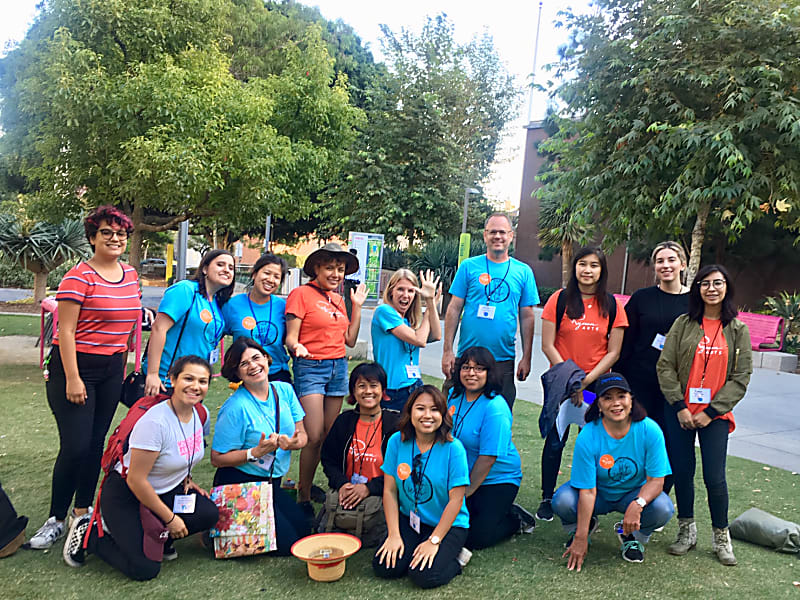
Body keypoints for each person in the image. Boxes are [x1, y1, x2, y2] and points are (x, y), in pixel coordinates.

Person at [28, 205, 142, 550]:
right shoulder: (78, 277)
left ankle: (83, 511)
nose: (115, 238)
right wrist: (73, 378)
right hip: (74, 368)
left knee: (95, 444)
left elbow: (129, 320)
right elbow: (64, 331)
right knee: (75, 446)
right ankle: (55, 519)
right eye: (106, 232)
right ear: (92, 238)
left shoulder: (131, 275)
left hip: (111, 370)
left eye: (120, 233)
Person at [62, 356, 219, 579]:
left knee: (208, 513)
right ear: (173, 380)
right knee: (145, 568)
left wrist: (186, 478)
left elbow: (182, 452)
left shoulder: (199, 414)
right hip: (128, 494)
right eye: (188, 379)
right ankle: (91, 535)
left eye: (202, 381)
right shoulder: (155, 422)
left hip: (166, 490)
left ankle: (158, 539)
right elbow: (135, 480)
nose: (195, 386)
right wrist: (170, 519)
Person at [656, 264, 752, 566]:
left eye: (718, 283)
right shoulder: (683, 323)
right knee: (682, 472)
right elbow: (665, 366)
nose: (712, 289)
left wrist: (711, 411)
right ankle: (686, 530)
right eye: (705, 283)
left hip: (715, 416)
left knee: (714, 477)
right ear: (697, 288)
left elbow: (741, 377)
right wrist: (680, 406)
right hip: (680, 412)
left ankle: (721, 536)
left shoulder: (738, 330)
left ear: (727, 288)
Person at [537, 247, 628, 522]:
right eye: (582, 264)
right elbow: (547, 344)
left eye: (594, 265)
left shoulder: (612, 305)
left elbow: (614, 352)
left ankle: (591, 499)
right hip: (561, 383)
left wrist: (585, 381)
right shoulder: (559, 299)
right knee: (555, 441)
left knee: (593, 444)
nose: (587, 270)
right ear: (574, 267)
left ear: (602, 270)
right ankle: (547, 497)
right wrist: (571, 379)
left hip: (596, 386)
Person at [554, 372, 674, 570]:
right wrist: (580, 538)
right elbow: (588, 491)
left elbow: (656, 481)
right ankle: (585, 526)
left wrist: (638, 504)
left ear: (631, 399)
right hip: (598, 494)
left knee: (663, 507)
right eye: (607, 398)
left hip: (632, 494)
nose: (616, 403)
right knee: (563, 500)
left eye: (621, 396)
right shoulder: (588, 435)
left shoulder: (649, 430)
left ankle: (630, 535)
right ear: (599, 405)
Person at [210, 337, 310, 555]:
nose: (253, 366)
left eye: (256, 358)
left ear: (267, 359)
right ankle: (214, 529)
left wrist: (294, 443)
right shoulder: (235, 407)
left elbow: (302, 435)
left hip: (271, 482)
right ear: (237, 373)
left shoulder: (284, 390)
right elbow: (217, 458)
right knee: (288, 546)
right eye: (244, 364)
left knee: (304, 529)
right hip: (241, 482)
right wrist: (254, 453)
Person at [285, 243, 367, 508]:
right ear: (317, 269)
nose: (336, 274)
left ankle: (320, 487)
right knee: (314, 435)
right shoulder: (301, 294)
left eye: (340, 269)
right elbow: (291, 337)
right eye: (330, 268)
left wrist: (357, 306)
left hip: (338, 368)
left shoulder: (340, 299)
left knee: (330, 435)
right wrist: (297, 347)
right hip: (311, 367)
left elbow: (350, 340)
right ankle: (303, 496)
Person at [373, 385, 471, 589]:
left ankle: (457, 560)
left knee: (424, 576)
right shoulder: (396, 442)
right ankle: (416, 548)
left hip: (448, 524)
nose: (427, 415)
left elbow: (456, 500)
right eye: (420, 408)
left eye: (434, 409)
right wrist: (393, 535)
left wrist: (434, 540)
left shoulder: (454, 449)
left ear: (443, 415)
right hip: (411, 519)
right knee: (385, 567)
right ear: (409, 412)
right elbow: (389, 491)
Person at [441, 212, 539, 409]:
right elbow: (454, 308)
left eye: (502, 232)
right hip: (467, 357)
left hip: (502, 360)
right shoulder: (468, 267)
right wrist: (447, 350)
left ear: (511, 236)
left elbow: (527, 317)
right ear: (485, 235)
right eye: (492, 232)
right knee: (450, 412)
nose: (497, 236)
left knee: (499, 413)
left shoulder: (523, 272)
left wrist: (526, 357)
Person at [617, 241, 689, 494]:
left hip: (676, 386)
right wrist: (618, 379)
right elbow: (626, 340)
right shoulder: (642, 298)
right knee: (637, 438)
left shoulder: (695, 301)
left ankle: (659, 495)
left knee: (669, 442)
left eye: (671, 260)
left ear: (683, 264)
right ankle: (629, 492)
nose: (665, 265)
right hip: (640, 381)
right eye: (660, 261)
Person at [447, 347, 534, 550]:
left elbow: (488, 458)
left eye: (479, 368)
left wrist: (466, 492)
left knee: (477, 537)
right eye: (466, 367)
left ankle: (516, 519)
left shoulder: (495, 407)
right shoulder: (453, 395)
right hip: (463, 473)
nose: (471, 373)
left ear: (489, 373)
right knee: (451, 523)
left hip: (497, 478)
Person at [319, 363, 400, 540]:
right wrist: (342, 484)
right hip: (347, 492)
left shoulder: (395, 424)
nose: (368, 391)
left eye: (374, 385)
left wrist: (369, 488)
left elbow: (401, 469)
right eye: (361, 386)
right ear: (353, 392)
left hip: (381, 494)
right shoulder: (344, 421)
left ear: (383, 390)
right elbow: (328, 458)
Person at [144, 249, 234, 395]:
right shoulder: (186, 290)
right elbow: (159, 328)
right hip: (167, 380)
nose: (226, 270)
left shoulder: (217, 303)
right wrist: (153, 374)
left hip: (196, 381)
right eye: (220, 264)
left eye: (231, 267)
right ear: (205, 269)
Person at [372, 269, 441, 411]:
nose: (405, 295)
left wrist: (431, 303)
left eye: (410, 291)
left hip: (414, 385)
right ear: (391, 291)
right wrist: (429, 307)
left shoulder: (407, 320)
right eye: (400, 289)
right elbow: (419, 340)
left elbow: (436, 335)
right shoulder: (384, 311)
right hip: (392, 391)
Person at [222, 253, 291, 383]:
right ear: (254, 274)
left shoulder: (283, 307)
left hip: (278, 374)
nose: (271, 280)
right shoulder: (232, 305)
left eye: (276, 277)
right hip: (248, 374)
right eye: (267, 273)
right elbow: (215, 335)